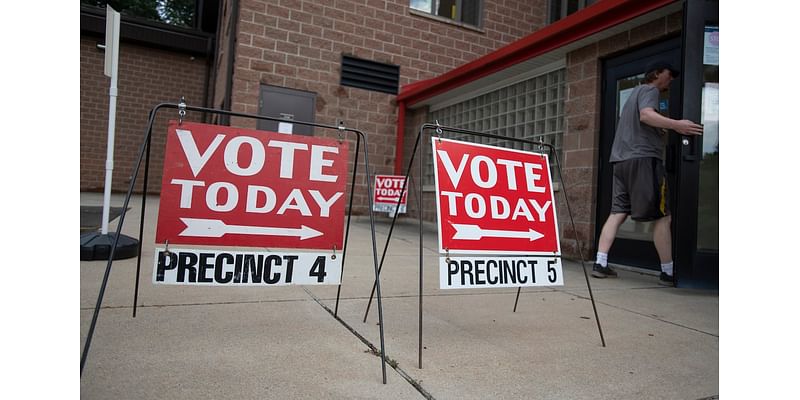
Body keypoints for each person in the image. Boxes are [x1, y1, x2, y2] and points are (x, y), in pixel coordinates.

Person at [591, 61, 703, 286]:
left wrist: (659, 128)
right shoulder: (650, 90)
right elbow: (646, 116)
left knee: (618, 212)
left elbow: (642, 120)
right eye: (669, 75)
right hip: (642, 159)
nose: (671, 80)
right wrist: (677, 125)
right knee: (663, 216)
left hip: (620, 161)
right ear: (657, 73)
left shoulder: (633, 94)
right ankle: (667, 271)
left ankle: (600, 262)